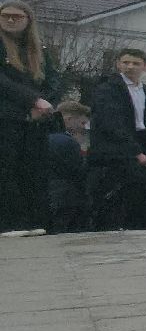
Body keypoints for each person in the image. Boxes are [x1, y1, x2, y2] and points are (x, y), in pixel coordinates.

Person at [87, 48, 146, 231]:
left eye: (135, 63)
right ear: (118, 64)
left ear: (145, 67)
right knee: (114, 203)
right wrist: (137, 154)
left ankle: (132, 232)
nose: (130, 67)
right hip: (114, 153)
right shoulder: (107, 89)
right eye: (125, 62)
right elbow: (111, 124)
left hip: (142, 147)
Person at [0, 0, 61, 234]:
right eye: (6, 16)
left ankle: (34, 222)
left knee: (34, 171)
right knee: (7, 170)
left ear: (28, 21)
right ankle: (9, 223)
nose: (11, 20)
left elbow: (54, 81)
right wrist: (32, 101)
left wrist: (46, 105)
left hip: (35, 121)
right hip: (6, 118)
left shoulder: (40, 51)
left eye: (17, 16)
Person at [46, 100, 90, 234]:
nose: (84, 127)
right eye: (82, 123)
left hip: (47, 194)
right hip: (67, 196)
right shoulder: (68, 142)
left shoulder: (44, 137)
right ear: (69, 119)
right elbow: (79, 171)